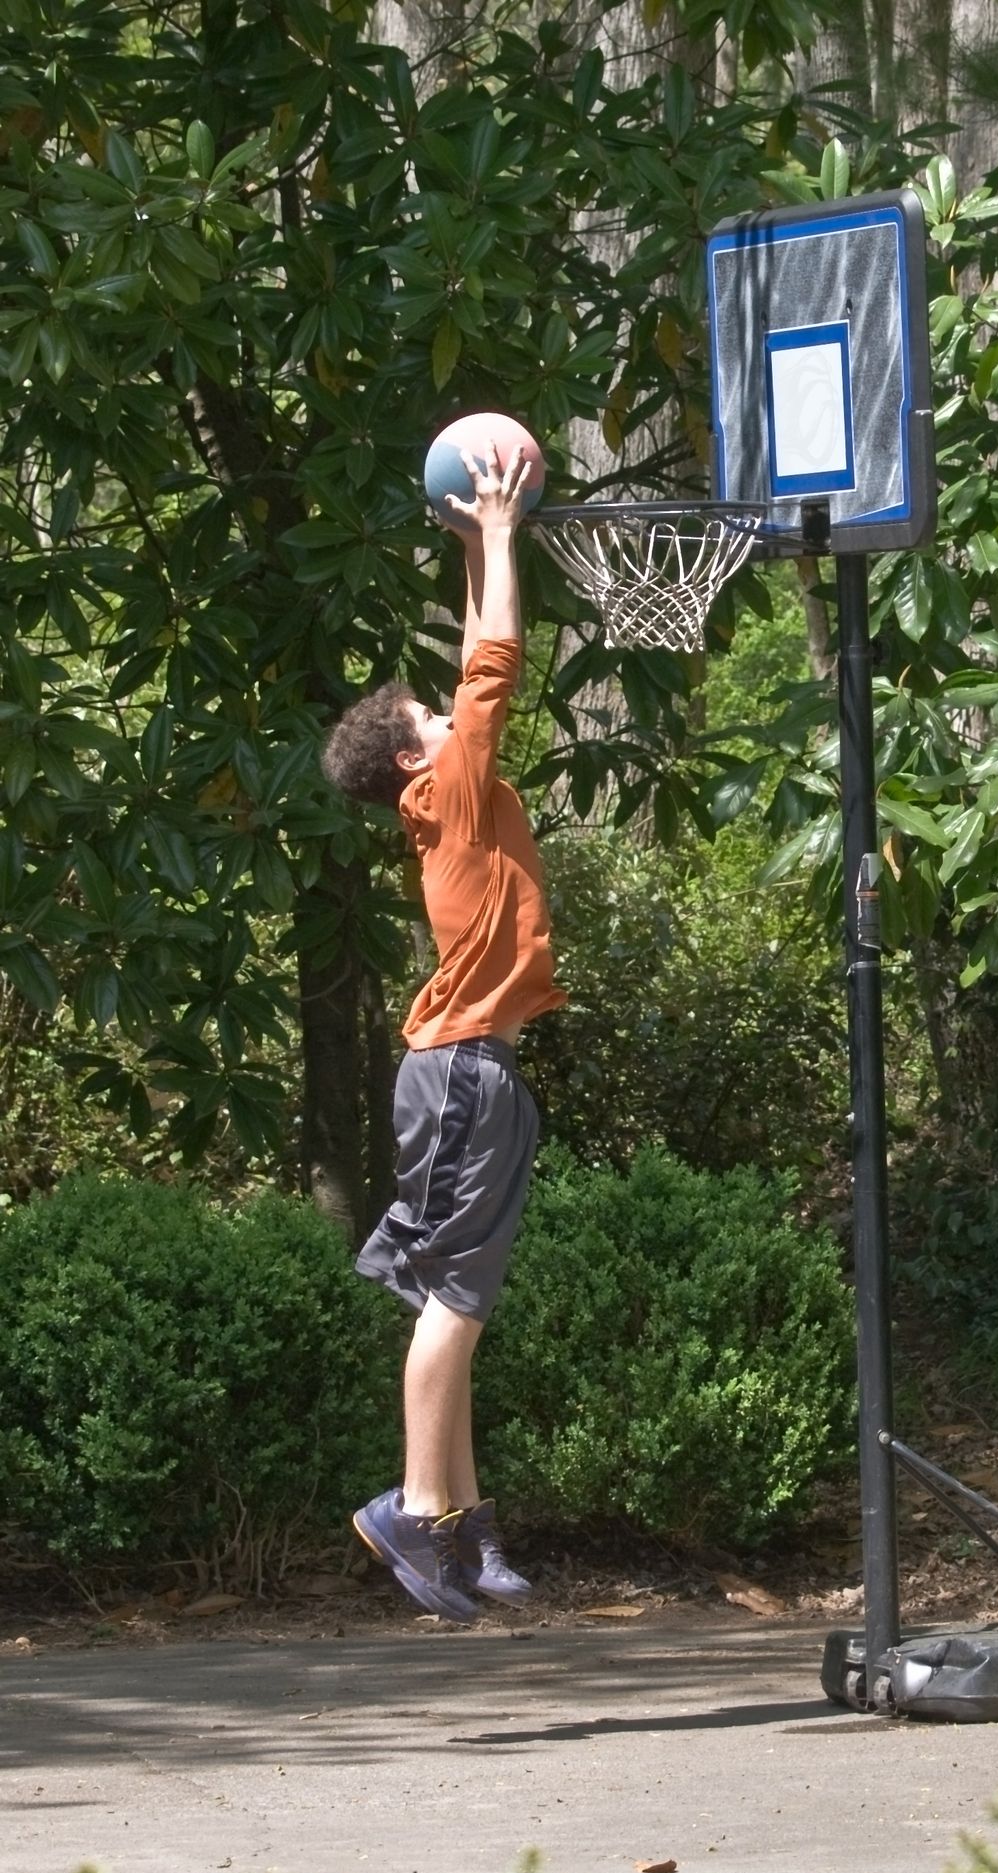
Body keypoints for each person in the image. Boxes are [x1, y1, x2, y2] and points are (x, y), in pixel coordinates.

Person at [318, 446, 564, 1622]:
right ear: (419, 753)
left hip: (457, 1067)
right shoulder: (452, 785)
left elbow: (474, 658)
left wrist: (470, 537)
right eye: (431, 711)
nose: (445, 704)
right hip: (466, 1069)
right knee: (457, 1304)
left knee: (452, 1304)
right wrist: (504, 530)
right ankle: (414, 1513)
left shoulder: (436, 801)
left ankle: (465, 1528)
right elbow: (494, 658)